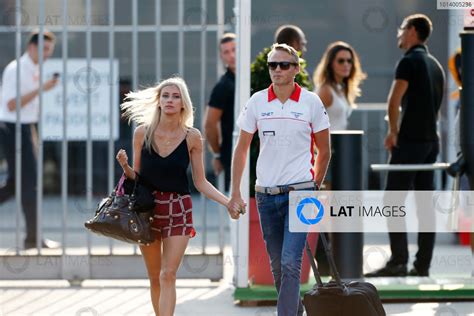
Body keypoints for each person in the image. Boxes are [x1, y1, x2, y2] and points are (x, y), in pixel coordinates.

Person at [116, 77, 240, 316]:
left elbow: (200, 181)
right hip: (147, 209)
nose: (170, 100)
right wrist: (125, 167)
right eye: (165, 96)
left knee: (167, 274)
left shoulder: (192, 137)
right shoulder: (142, 133)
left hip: (178, 209)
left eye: (175, 96)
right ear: (159, 101)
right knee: (154, 277)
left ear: (183, 103)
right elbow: (137, 178)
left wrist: (227, 202)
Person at [230, 43, 331, 315]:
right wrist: (236, 193)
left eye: (283, 65)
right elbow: (241, 150)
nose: (276, 70)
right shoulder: (257, 101)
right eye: (272, 65)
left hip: (300, 194)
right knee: (278, 265)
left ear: (296, 69)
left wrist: (314, 187)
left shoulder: (311, 102)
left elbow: (325, 150)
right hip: (265, 196)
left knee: (290, 262)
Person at [365, 14, 445, 277]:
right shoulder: (435, 65)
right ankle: (422, 266)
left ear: (412, 31)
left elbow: (394, 99)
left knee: (392, 200)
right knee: (425, 204)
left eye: (401, 29)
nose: (398, 34)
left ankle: (399, 261)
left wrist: (392, 132)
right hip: (431, 142)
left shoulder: (408, 62)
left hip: (409, 141)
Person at [0, 30, 60, 249]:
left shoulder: (33, 68)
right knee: (28, 184)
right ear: (31, 47)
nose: (47, 55)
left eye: (50, 51)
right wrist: (42, 88)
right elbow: (10, 105)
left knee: (19, 184)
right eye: (44, 49)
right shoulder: (17, 69)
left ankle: (33, 238)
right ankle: (33, 239)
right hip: (13, 128)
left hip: (25, 127)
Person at [204, 33, 236, 192]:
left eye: (234, 49)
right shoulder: (223, 86)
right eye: (226, 52)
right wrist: (218, 154)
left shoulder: (254, 78)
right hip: (233, 154)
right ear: (221, 56)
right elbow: (209, 124)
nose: (231, 55)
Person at [313, 41, 366, 130]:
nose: (346, 64)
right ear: (330, 64)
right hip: (328, 142)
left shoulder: (340, 88)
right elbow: (311, 122)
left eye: (349, 61)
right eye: (341, 61)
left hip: (339, 141)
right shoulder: (325, 90)